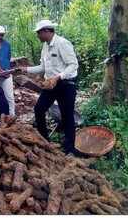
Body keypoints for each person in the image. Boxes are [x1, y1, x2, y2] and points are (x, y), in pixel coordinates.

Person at [20, 20, 79, 154]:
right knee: (39, 109)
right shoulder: (45, 47)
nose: (37, 36)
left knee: (67, 115)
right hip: (50, 85)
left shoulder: (62, 43)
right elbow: (42, 67)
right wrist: (25, 69)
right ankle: (44, 140)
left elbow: (73, 65)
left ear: (47, 31)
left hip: (66, 84)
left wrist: (58, 77)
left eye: (38, 33)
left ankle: (69, 149)